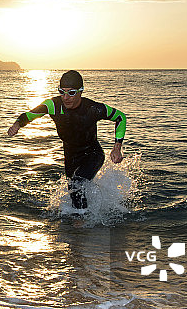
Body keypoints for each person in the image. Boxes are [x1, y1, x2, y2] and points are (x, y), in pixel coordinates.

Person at [7, 70, 126, 211]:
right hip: (70, 156)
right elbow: (30, 114)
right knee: (73, 191)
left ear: (81, 91)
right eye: (62, 92)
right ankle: (83, 221)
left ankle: (81, 224)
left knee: (77, 184)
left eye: (71, 93)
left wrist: (117, 147)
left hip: (93, 154)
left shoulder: (93, 108)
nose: (65, 97)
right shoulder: (53, 105)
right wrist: (17, 124)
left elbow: (120, 117)